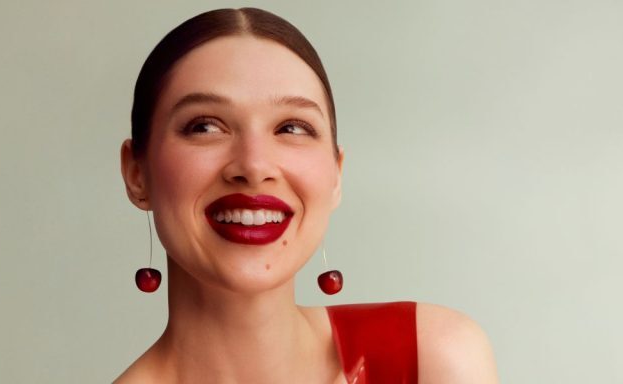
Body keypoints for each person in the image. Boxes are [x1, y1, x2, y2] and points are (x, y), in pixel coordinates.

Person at [116, 7, 498, 383]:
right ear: (136, 174)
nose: (254, 165)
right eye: (204, 126)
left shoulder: (431, 359)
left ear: (336, 175)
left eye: (292, 128)